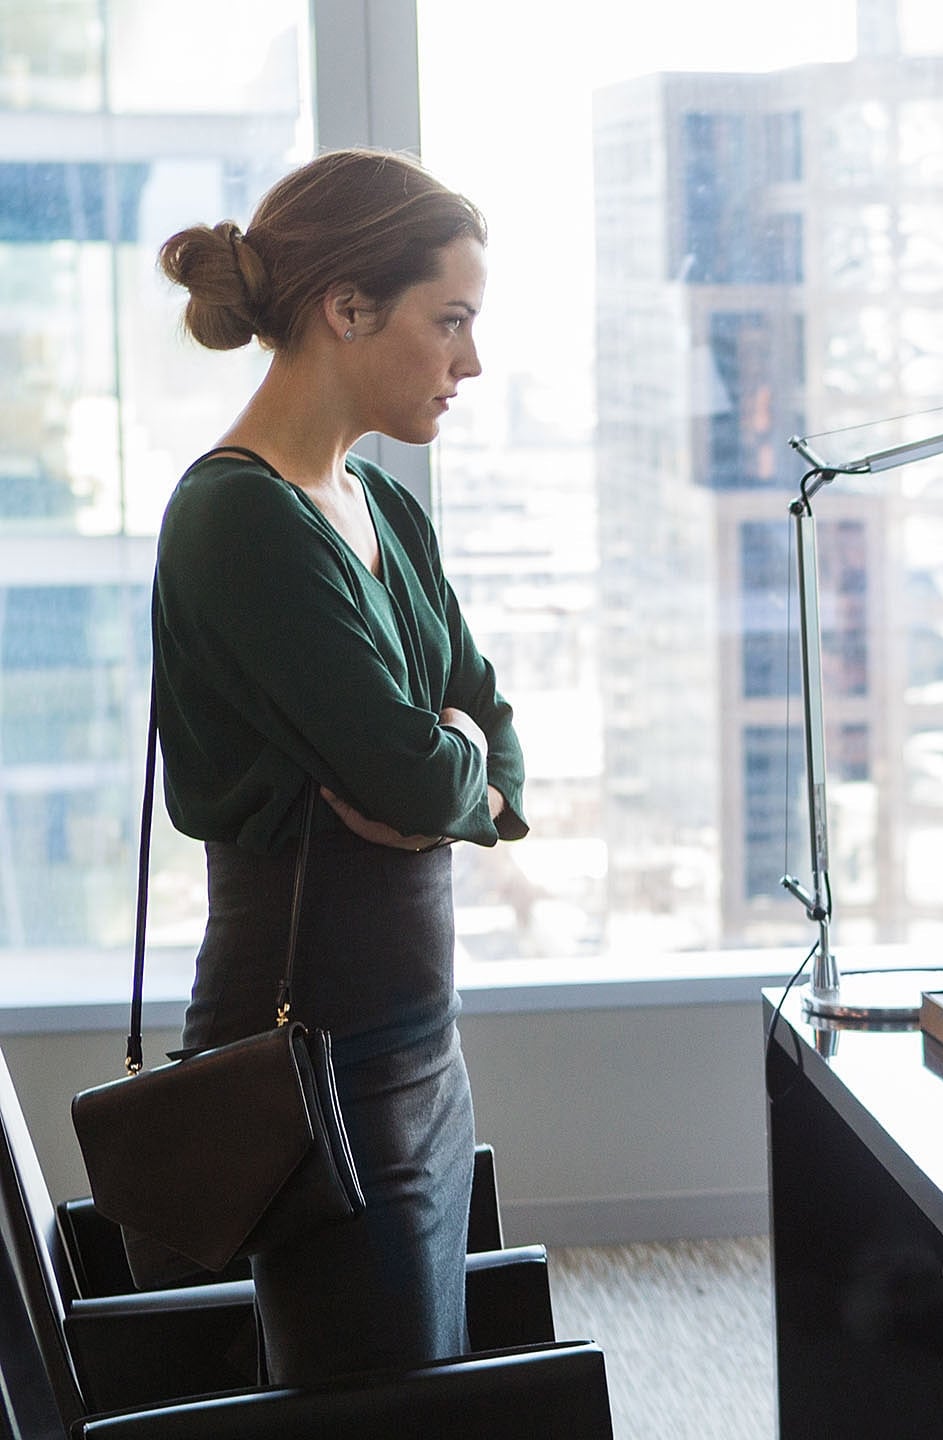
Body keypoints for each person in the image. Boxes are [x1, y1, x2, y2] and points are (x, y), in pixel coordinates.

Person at [152, 149, 526, 1380]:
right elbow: (418, 778)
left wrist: (456, 764)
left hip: (418, 1042)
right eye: (450, 320)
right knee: (376, 1397)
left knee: (428, 1383)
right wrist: (447, 771)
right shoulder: (240, 518)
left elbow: (484, 727)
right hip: (314, 1054)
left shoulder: (380, 503)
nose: (470, 361)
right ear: (347, 308)